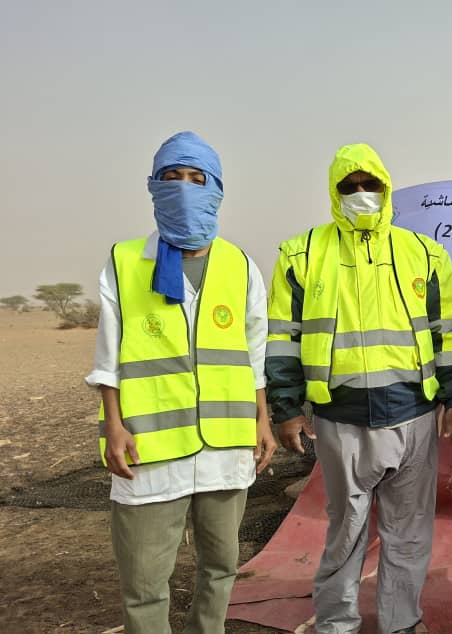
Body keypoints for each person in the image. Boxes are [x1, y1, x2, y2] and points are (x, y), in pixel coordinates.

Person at [266, 143, 452, 634]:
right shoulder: (301, 253)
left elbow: (447, 333)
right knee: (346, 530)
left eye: (370, 184)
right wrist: (286, 408)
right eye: (350, 186)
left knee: (408, 532)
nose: (361, 193)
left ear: (386, 188)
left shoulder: (424, 253)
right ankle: (337, 623)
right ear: (334, 193)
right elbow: (282, 338)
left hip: (412, 415)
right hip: (340, 418)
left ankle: (402, 623)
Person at [86, 131, 276, 634]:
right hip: (150, 446)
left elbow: (254, 352)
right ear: (154, 186)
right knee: (145, 583)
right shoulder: (125, 261)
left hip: (226, 443)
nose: (185, 188)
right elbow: (108, 357)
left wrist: (263, 419)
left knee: (221, 567)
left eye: (197, 178)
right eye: (173, 178)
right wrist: (113, 427)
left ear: (216, 190)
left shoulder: (241, 265)